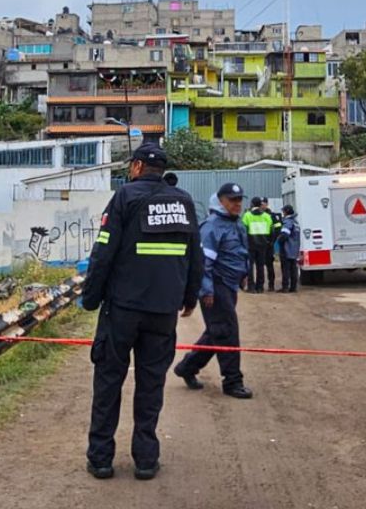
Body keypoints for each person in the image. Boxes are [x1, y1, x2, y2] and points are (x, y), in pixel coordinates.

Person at [82, 143, 203, 482]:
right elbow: (195, 255)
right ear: (161, 170)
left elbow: (103, 252)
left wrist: (91, 298)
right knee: (151, 386)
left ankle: (101, 459)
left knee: (108, 382)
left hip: (122, 310)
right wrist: (190, 297)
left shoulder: (125, 198)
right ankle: (146, 460)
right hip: (163, 311)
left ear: (136, 167)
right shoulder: (183, 202)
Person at [173, 182, 254, 400]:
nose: (237, 204)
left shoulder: (235, 223)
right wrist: (206, 290)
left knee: (217, 332)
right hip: (216, 288)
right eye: (232, 200)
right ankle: (232, 381)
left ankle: (187, 367)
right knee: (227, 333)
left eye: (239, 200)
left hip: (228, 285)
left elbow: (240, 252)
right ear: (220, 201)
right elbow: (204, 264)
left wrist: (244, 274)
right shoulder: (211, 226)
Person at [242, 197, 274, 292]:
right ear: (260, 205)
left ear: (252, 204)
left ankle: (251, 287)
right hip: (263, 245)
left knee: (250, 266)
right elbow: (271, 231)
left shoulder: (247, 215)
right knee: (260, 266)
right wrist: (269, 242)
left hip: (250, 244)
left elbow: (243, 231)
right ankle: (260, 287)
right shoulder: (267, 216)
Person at [277, 204, 301, 293]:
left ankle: (285, 287)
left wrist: (279, 241)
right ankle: (293, 287)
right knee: (293, 269)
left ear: (286, 212)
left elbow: (284, 235)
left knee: (286, 269)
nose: (282, 213)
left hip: (287, 249)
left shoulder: (288, 222)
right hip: (294, 250)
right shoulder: (296, 222)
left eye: (283, 211)